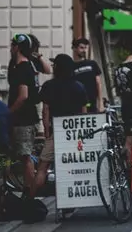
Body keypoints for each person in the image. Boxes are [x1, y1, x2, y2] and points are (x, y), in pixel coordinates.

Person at [33, 54, 89, 196]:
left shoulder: (49, 86)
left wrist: (47, 133)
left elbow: (45, 112)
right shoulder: (79, 86)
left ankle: (29, 201)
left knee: (42, 167)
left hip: (56, 132)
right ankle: (71, 198)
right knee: (73, 166)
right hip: (74, 133)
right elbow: (84, 113)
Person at [7, 33, 41, 194]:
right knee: (26, 156)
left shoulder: (22, 68)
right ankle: (29, 191)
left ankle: (30, 193)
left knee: (26, 157)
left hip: (24, 120)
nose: (10, 48)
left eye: (12, 45)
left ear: (17, 47)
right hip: (29, 117)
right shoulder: (29, 66)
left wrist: (8, 113)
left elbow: (23, 96)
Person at [71, 37, 105, 112]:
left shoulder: (92, 64)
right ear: (74, 48)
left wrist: (100, 102)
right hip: (77, 103)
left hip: (92, 101)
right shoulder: (71, 66)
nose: (84, 50)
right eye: (81, 48)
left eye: (85, 48)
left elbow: (98, 83)